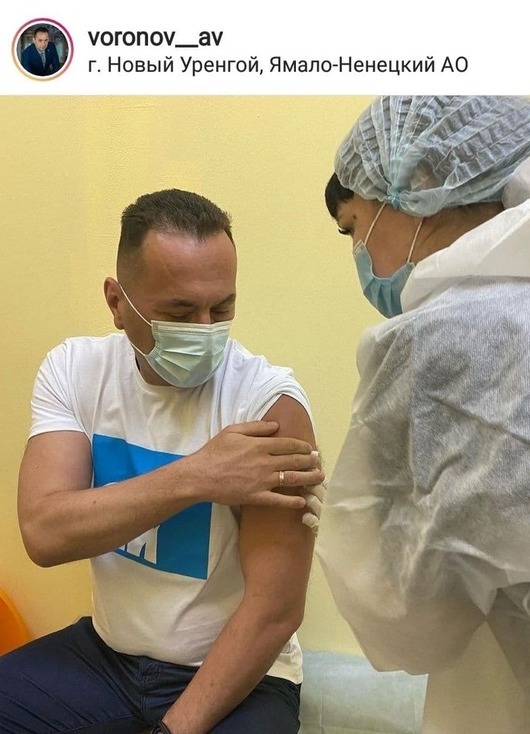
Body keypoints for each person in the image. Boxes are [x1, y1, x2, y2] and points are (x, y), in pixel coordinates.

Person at [0, 189, 325, 734]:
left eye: (222, 308)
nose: (205, 329)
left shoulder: (268, 405)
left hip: (240, 677)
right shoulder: (75, 371)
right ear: (117, 302)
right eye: (179, 312)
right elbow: (45, 533)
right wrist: (198, 476)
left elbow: (275, 611)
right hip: (106, 658)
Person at [316, 96, 530, 732]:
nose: (360, 252)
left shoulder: (442, 338)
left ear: (419, 182)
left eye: (354, 227)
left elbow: (408, 618)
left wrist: (348, 520)